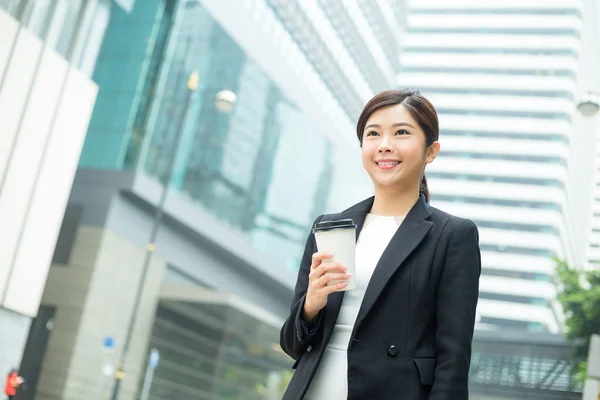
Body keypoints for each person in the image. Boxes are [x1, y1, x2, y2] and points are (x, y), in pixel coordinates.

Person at [280, 90, 481, 400]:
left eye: (401, 132)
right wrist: (311, 304)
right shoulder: (330, 227)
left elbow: (453, 362)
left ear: (431, 151)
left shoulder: (452, 235)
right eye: (373, 134)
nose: (385, 144)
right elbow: (292, 345)